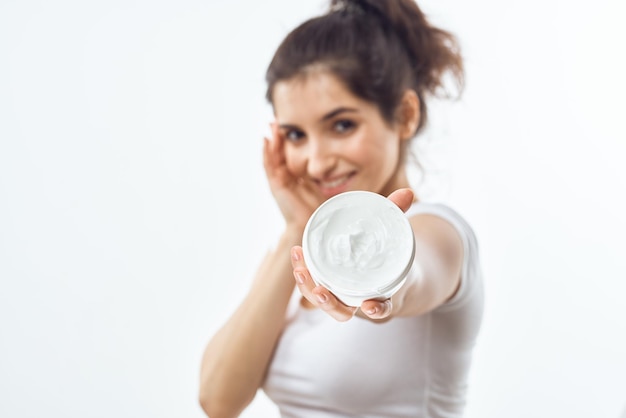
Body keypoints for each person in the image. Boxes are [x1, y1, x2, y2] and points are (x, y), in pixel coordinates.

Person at [199, 0, 484, 416]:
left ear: (404, 116)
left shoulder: (440, 234)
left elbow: (414, 277)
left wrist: (383, 294)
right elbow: (217, 400)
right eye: (296, 135)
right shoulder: (298, 253)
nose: (316, 162)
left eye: (342, 125)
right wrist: (296, 228)